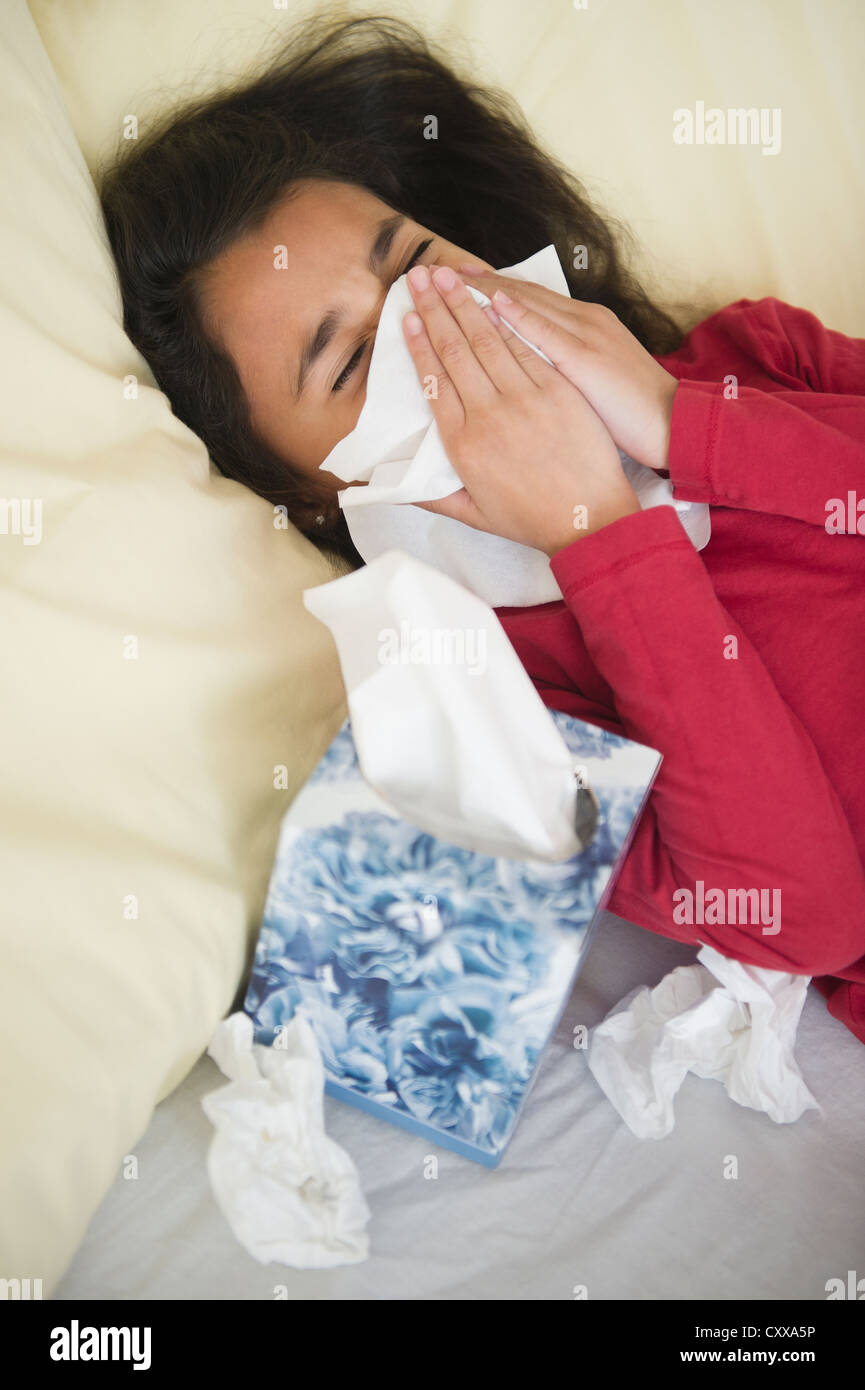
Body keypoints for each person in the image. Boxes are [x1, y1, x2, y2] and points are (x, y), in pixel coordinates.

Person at [100, 14, 865, 1044]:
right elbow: (807, 917)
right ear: (316, 488)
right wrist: (599, 537)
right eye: (351, 361)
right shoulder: (500, 707)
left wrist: (684, 424)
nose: (433, 326)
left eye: (416, 260)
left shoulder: (754, 359)